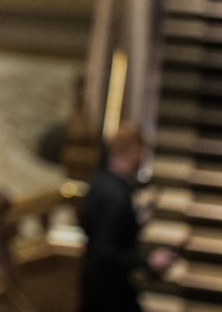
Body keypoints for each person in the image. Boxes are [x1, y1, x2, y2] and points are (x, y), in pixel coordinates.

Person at [78, 122, 177, 312]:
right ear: (134, 151)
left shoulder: (100, 181)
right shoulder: (117, 196)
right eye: (141, 152)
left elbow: (96, 228)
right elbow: (106, 251)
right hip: (109, 289)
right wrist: (148, 262)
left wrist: (134, 223)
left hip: (93, 279)